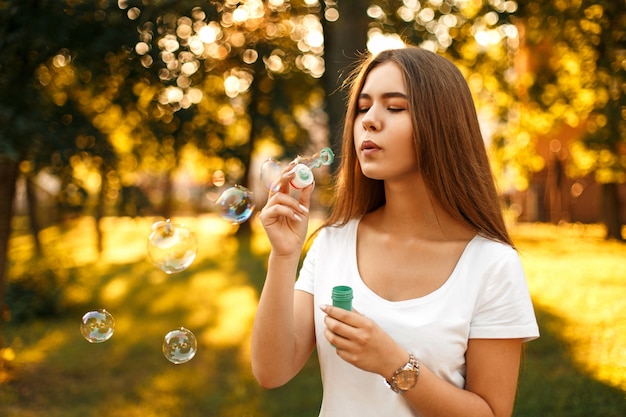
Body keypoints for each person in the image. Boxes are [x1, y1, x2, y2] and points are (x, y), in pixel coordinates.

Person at [251, 46, 539, 417]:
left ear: (442, 124)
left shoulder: (491, 264)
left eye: (395, 107)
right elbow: (271, 372)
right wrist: (284, 256)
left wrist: (394, 364)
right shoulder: (332, 243)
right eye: (363, 107)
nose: (369, 121)